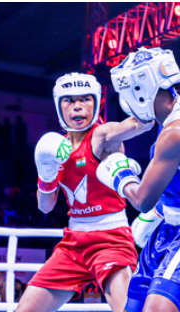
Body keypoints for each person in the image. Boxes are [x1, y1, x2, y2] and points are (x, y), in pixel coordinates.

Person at [96, 47, 180, 312]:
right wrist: (159, 214)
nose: (126, 101)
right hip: (170, 226)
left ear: (141, 90)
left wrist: (120, 174)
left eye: (128, 92)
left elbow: (141, 200)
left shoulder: (178, 132)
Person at [15, 72, 154, 312]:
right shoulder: (54, 149)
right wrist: (46, 174)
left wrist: (141, 98)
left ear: (96, 103)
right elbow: (45, 206)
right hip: (73, 244)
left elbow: (141, 124)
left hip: (111, 240)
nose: (78, 106)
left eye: (85, 99)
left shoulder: (102, 136)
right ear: (59, 106)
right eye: (69, 100)